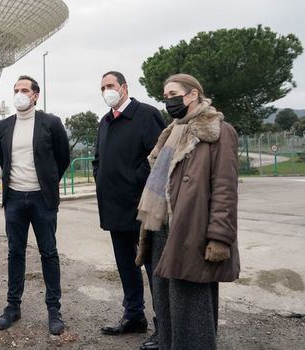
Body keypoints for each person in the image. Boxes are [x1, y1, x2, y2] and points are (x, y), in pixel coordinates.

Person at [136, 73, 240, 350]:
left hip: (193, 231)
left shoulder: (218, 131)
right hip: (162, 229)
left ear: (192, 94)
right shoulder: (172, 132)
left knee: (191, 306)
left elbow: (225, 189)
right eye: (165, 96)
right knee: (166, 303)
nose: (168, 100)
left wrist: (219, 237)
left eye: (172, 94)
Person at [93, 71, 165, 350]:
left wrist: (135, 181)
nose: (106, 90)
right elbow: (99, 158)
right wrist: (100, 177)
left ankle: (164, 325)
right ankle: (134, 315)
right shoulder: (105, 121)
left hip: (141, 206)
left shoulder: (146, 114)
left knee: (152, 266)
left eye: (110, 85)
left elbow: (159, 156)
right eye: (102, 87)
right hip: (113, 207)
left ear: (124, 87)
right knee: (126, 266)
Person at [0, 75, 71, 335]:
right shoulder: (3, 126)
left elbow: (62, 158)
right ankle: (12, 307)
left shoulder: (51, 123)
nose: (19, 94)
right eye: (16, 90)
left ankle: (54, 310)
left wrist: (48, 183)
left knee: (48, 253)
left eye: (24, 90)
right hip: (14, 198)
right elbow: (4, 159)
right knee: (15, 253)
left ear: (36, 95)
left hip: (42, 199)